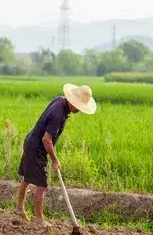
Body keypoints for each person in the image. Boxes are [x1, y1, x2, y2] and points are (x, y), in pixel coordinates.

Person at [15, 83, 97, 228]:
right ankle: (39, 220)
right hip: (37, 148)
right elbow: (46, 140)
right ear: (72, 101)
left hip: (30, 140)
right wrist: (54, 159)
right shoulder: (59, 115)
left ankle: (19, 209)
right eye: (78, 106)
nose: (78, 110)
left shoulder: (60, 100)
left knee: (27, 178)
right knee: (42, 184)